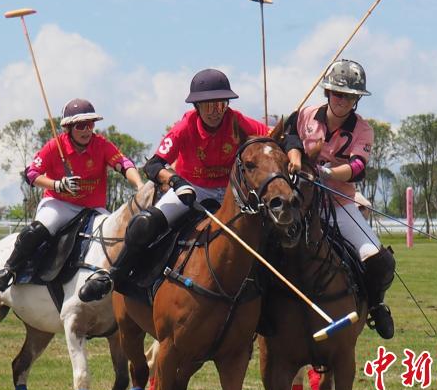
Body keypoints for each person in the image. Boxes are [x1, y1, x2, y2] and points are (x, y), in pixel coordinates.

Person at [79, 68, 303, 302]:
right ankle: (113, 275)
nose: (216, 111)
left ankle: (273, 297)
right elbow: (154, 165)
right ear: (197, 106)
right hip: (191, 188)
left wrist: (294, 152)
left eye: (221, 104)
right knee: (145, 223)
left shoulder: (236, 120)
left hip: (229, 192)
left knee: (273, 229)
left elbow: (279, 137)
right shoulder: (186, 125)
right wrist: (176, 181)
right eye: (209, 105)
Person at [285, 59, 395, 339]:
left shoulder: (363, 130)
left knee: (379, 261)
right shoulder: (305, 115)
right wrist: (297, 157)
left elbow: (358, 167)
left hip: (339, 203)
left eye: (349, 96)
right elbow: (289, 138)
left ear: (356, 99)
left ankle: (375, 304)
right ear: (327, 93)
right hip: (300, 202)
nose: (342, 101)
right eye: (337, 93)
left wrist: (327, 172)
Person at [0, 98, 145, 291]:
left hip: (93, 208)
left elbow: (124, 164)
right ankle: (10, 269)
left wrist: (139, 184)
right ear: (69, 128)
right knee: (37, 230)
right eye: (81, 126)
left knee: (118, 236)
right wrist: (57, 185)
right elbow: (31, 174)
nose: (87, 130)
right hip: (60, 204)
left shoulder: (101, 144)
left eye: (90, 125)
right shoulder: (54, 146)